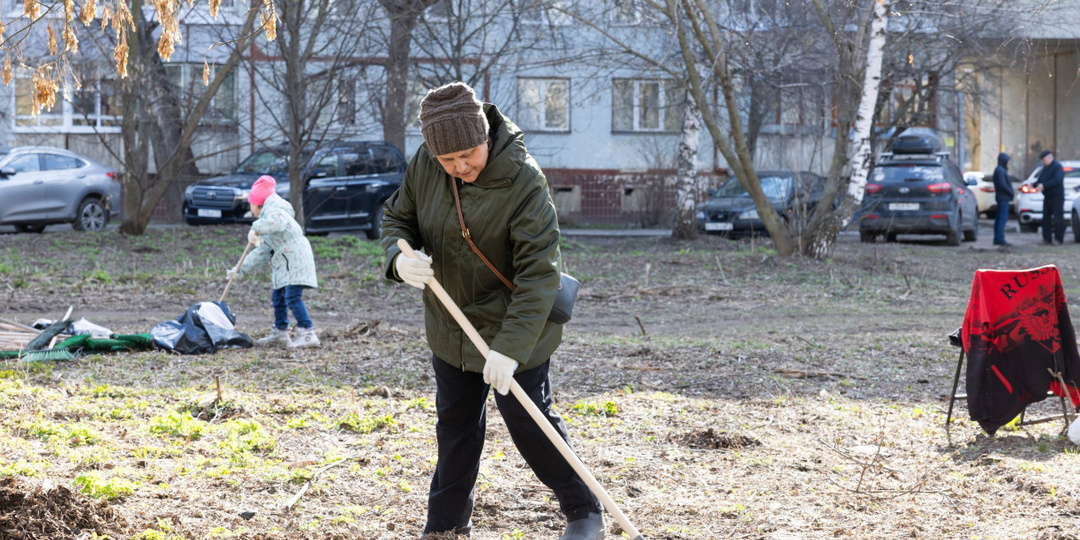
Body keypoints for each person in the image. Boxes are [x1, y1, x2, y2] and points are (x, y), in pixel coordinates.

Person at [380, 82, 604, 540]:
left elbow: (539, 277)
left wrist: (508, 350)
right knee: (456, 430)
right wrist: (398, 259)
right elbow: (398, 220)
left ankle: (584, 512)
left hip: (516, 326)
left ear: (485, 137)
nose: (461, 167)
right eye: (449, 160)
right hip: (451, 324)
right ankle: (445, 525)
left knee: (530, 423)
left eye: (469, 154)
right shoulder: (426, 165)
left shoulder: (524, 180)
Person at [227, 175, 321, 348]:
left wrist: (256, 228)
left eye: (251, 204)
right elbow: (261, 252)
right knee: (278, 297)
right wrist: (240, 269)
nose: (250, 208)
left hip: (295, 260)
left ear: (258, 203)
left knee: (292, 296)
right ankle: (280, 333)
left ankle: (308, 333)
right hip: (284, 263)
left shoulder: (276, 212)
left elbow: (275, 222)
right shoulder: (268, 224)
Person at [1033, 149, 1065, 245]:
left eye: (1044, 160)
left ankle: (1058, 239)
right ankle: (1047, 238)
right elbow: (1041, 179)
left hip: (1057, 196)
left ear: (1050, 158)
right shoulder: (1045, 168)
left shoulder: (1057, 167)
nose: (1043, 162)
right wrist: (1034, 184)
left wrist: (1044, 186)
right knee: (1046, 218)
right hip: (1047, 196)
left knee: (1058, 218)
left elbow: (1057, 180)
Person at [992, 152, 1015, 246]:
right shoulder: (1000, 170)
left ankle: (998, 237)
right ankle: (999, 238)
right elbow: (1002, 184)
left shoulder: (999, 170)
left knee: (1000, 218)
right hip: (1003, 197)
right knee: (1002, 219)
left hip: (1002, 197)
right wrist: (1010, 191)